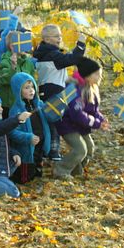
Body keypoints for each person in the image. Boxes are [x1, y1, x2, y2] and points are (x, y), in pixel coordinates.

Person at [32, 24, 87, 161]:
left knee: (51, 121)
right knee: (54, 121)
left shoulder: (43, 53)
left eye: (60, 36)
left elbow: (56, 74)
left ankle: (49, 151)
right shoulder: (52, 55)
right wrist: (80, 44)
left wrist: (73, 81)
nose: (59, 39)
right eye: (56, 36)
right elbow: (73, 59)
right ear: (47, 38)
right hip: (53, 92)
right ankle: (53, 152)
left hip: (47, 90)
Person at [52, 58, 109, 180]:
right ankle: (61, 169)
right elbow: (77, 114)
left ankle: (76, 171)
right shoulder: (73, 89)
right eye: (96, 74)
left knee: (89, 148)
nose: (99, 77)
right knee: (80, 149)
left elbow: (93, 110)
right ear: (87, 74)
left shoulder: (90, 88)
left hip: (80, 125)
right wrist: (96, 123)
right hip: (67, 124)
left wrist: (101, 119)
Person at [8, 72, 51, 182]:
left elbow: (50, 118)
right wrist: (28, 137)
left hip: (40, 144)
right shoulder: (16, 110)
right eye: (27, 88)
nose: (31, 90)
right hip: (27, 148)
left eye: (32, 87)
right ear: (18, 91)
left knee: (38, 169)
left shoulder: (39, 105)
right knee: (26, 177)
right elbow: (12, 132)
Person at [0, 31, 36, 119]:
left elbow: (33, 81)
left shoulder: (28, 62)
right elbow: (3, 79)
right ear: (12, 46)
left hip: (23, 103)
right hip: (8, 104)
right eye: (22, 43)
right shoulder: (6, 60)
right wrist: (13, 68)